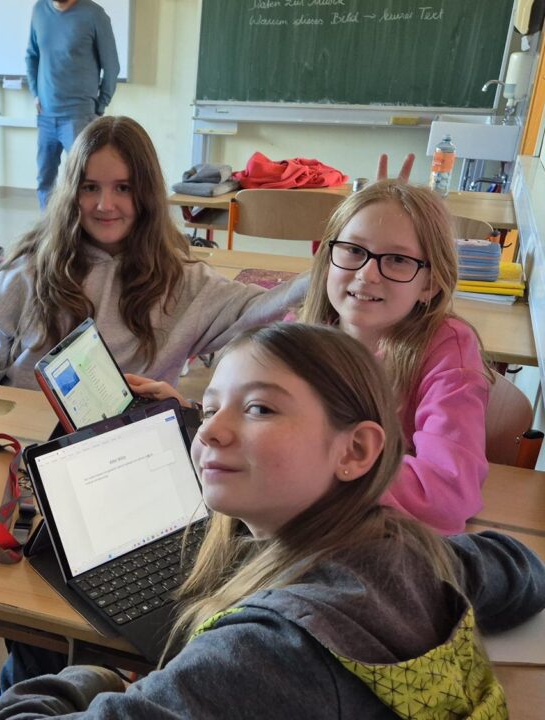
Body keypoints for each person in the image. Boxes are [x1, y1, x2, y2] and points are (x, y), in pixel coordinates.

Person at [0, 324, 545, 718]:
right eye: (210, 408)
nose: (209, 432)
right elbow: (518, 570)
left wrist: (88, 683)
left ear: (356, 450)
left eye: (259, 408)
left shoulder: (266, 654)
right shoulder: (403, 548)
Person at [131, 177, 487, 536]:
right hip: (298, 524)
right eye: (353, 250)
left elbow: (446, 494)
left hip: (375, 539)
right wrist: (196, 419)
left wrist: (313, 468)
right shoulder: (303, 330)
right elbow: (269, 430)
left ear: (430, 283)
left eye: (397, 260)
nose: (367, 274)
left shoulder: (448, 350)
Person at [0, 115, 307, 391]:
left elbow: (258, 310)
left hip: (129, 446)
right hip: (32, 439)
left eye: (123, 188)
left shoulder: (181, 280)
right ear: (71, 192)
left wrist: (320, 278)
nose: (105, 205)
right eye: (90, 187)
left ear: (146, 194)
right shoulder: (31, 269)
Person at [27, 0, 120, 209]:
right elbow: (32, 56)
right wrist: (35, 93)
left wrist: (100, 106)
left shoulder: (94, 15)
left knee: (84, 181)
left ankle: (81, 226)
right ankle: (50, 226)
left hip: (79, 117)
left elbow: (112, 66)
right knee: (44, 181)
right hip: (46, 116)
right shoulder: (39, 10)